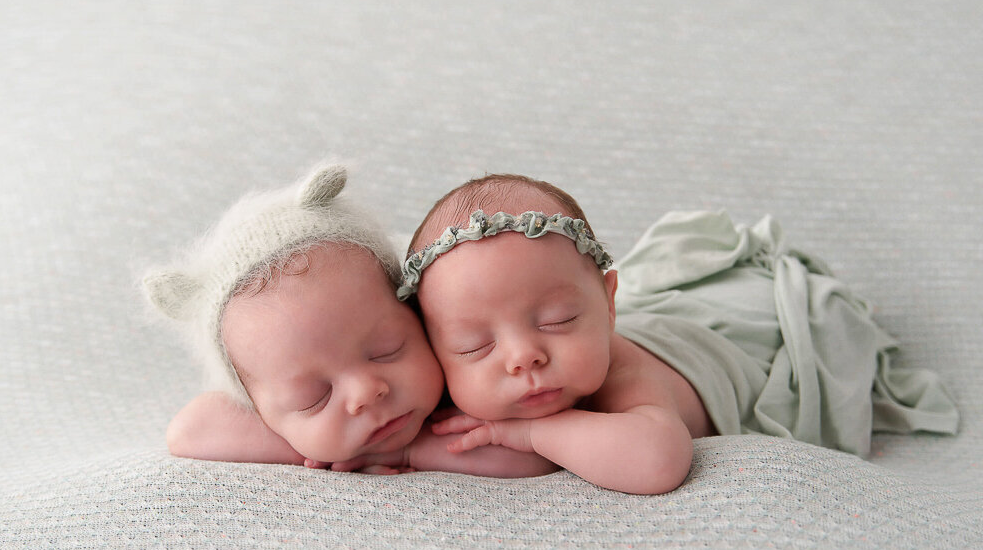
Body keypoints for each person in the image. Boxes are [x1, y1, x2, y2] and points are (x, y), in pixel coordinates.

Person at [398, 174, 959, 494]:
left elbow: (656, 462)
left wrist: (524, 433)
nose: (524, 356)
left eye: (559, 320)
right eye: (474, 346)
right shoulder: (479, 380)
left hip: (742, 345)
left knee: (787, 317)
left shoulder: (626, 377)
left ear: (609, 304)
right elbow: (511, 454)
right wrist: (399, 446)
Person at [143, 163, 558, 479]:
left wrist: (406, 451)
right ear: (259, 409)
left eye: (386, 352)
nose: (366, 392)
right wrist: (318, 444)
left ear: (416, 315)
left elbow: (538, 455)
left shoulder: (472, 364)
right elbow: (191, 430)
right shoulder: (265, 386)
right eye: (314, 397)